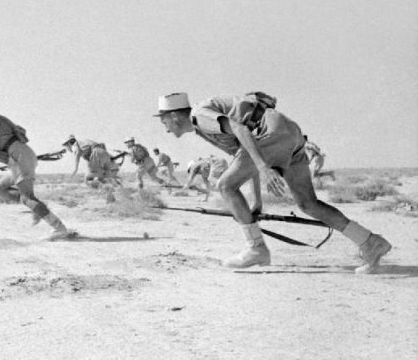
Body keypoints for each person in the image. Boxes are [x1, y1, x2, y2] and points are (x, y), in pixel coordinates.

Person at [155, 91, 391, 273]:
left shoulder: (199, 116)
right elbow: (246, 151)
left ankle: (256, 248)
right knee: (308, 204)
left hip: (272, 135)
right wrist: (257, 200)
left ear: (175, 116)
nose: (165, 128)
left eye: (164, 121)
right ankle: (369, 241)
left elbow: (239, 129)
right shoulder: (203, 123)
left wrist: (263, 166)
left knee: (224, 186)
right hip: (290, 134)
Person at [0, 94, 75, 240]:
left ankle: (60, 228)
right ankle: (37, 207)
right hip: (20, 157)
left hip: (20, 158)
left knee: (27, 198)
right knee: (1, 189)